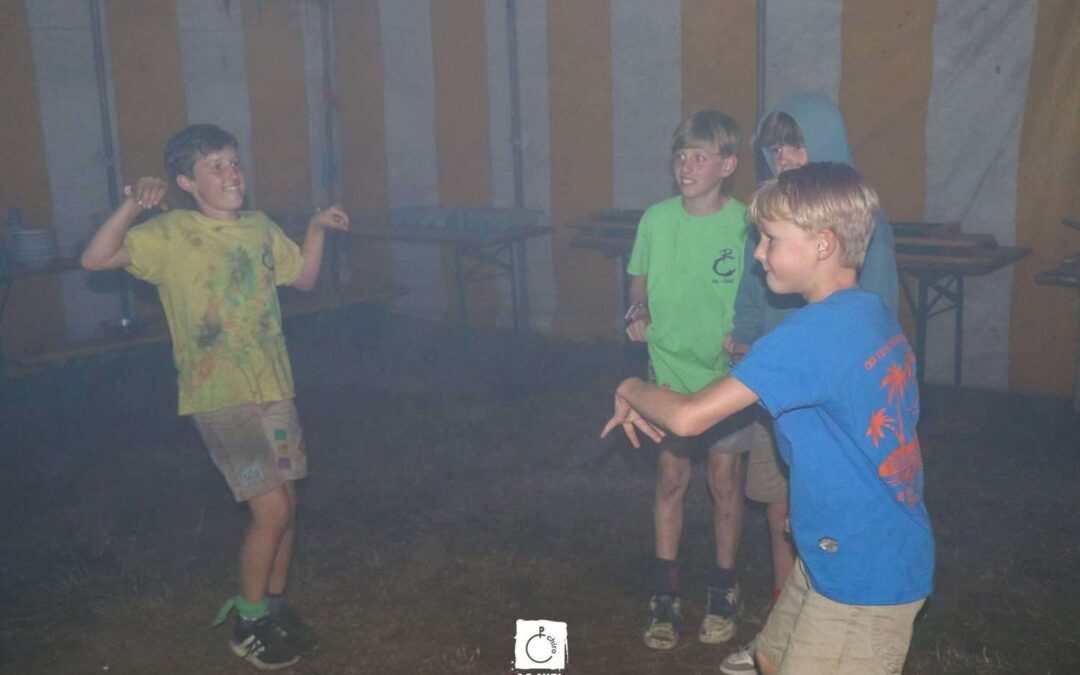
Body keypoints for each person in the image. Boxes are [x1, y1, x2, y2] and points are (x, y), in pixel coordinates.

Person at [603, 162, 933, 675]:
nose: (757, 253)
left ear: (823, 244)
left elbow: (688, 418)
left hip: (861, 576)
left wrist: (630, 387)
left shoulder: (806, 338)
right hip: (858, 547)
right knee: (768, 658)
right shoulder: (868, 313)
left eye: (770, 239)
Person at [81, 124, 350, 670]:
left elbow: (302, 279)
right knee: (271, 509)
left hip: (273, 387)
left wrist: (316, 228)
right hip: (220, 397)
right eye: (217, 166)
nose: (232, 174)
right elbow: (95, 259)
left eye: (234, 162)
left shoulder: (259, 226)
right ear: (187, 182)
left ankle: (274, 609)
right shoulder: (172, 232)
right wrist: (133, 203)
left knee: (287, 506)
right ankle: (248, 624)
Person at [722, 93, 902, 667]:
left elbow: (877, 316)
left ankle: (815, 635)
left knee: (823, 514)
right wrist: (744, 336)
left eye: (796, 145)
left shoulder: (854, 223)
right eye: (775, 149)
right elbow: (751, 288)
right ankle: (782, 627)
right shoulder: (771, 222)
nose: (785, 158)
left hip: (834, 405)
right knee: (782, 512)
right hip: (774, 389)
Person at [623, 110, 752, 650]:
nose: (687, 166)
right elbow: (638, 281)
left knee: (724, 481)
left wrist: (744, 335)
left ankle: (724, 589)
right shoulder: (655, 220)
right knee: (672, 478)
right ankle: (665, 594)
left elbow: (759, 294)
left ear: (728, 165)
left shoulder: (746, 224)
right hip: (668, 371)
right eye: (681, 155)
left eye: (700, 156)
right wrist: (637, 312)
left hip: (726, 378)